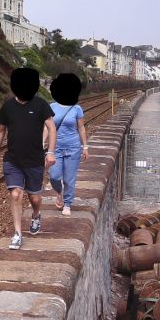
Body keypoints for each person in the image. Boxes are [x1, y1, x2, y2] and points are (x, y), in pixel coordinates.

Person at [0, 68, 57, 250]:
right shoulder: (8, 106)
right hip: (13, 160)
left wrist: (50, 152)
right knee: (15, 194)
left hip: (35, 160)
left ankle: (36, 215)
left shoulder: (41, 105)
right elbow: (0, 130)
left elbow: (52, 128)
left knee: (34, 198)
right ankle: (18, 234)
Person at [43, 73, 89, 216]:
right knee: (54, 176)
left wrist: (85, 146)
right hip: (55, 147)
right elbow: (46, 127)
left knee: (69, 178)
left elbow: (81, 128)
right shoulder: (51, 106)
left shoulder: (77, 108)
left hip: (73, 147)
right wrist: (41, 142)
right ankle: (60, 193)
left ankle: (67, 204)